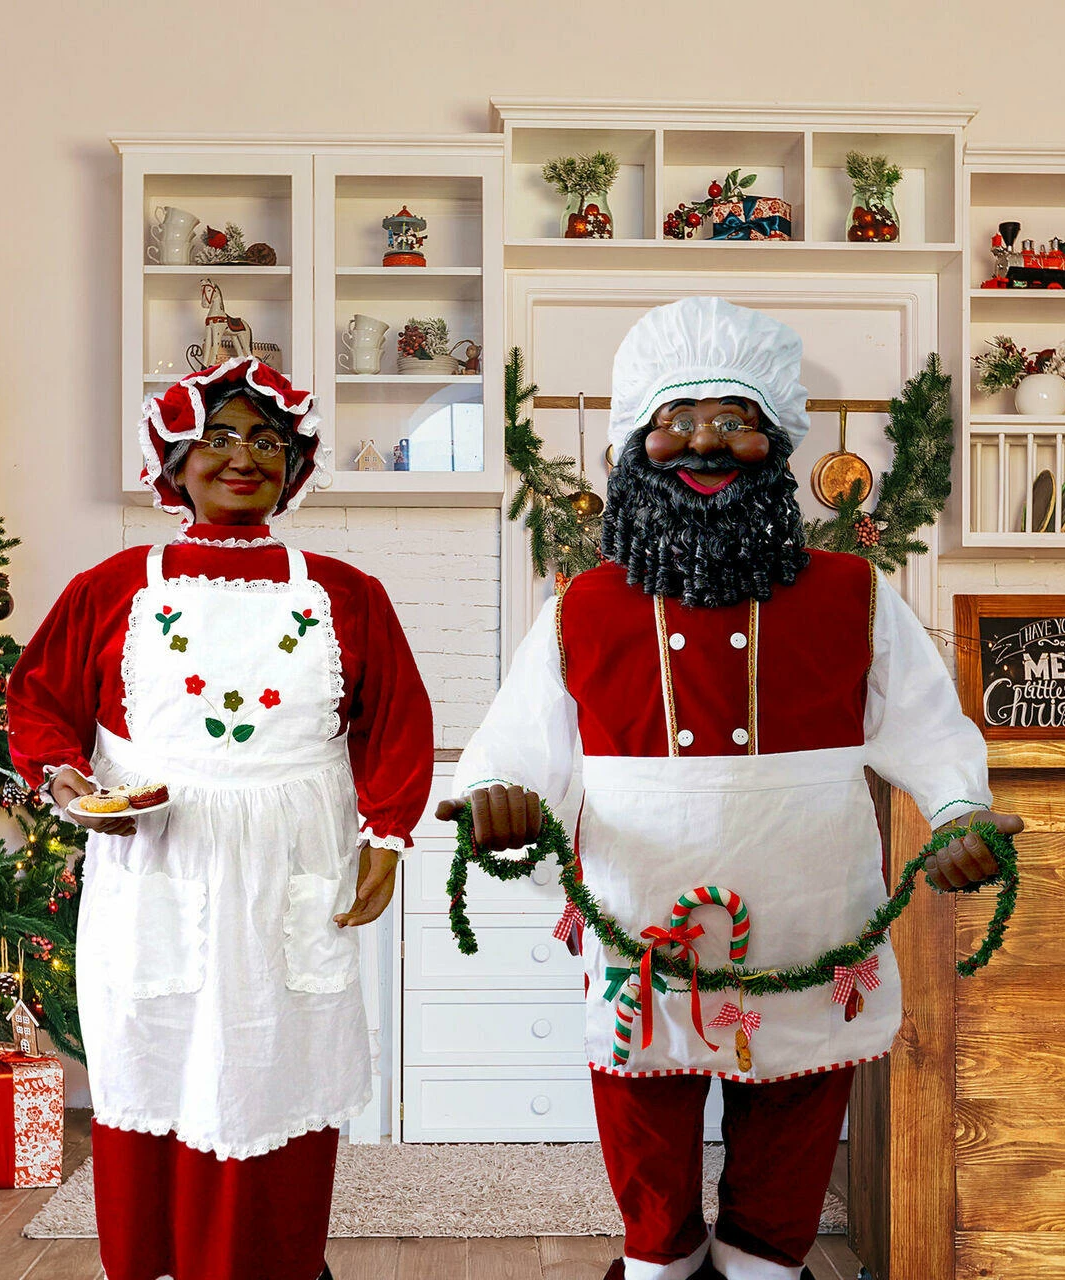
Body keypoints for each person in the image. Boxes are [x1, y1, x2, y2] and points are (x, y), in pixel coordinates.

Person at [442, 298, 1024, 1280]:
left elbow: (929, 732)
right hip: (641, 938)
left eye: (731, 418)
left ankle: (762, 1264)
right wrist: (497, 798)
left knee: (785, 1175)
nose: (703, 441)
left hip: (812, 926)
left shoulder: (857, 594)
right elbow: (510, 749)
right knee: (649, 1177)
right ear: (635, 447)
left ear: (774, 444)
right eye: (677, 419)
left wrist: (961, 813)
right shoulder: (581, 606)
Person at [7, 357, 434, 1280]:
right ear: (175, 457)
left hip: (295, 861)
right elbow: (40, 702)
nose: (245, 456)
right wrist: (70, 785)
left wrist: (388, 839)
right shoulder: (114, 583)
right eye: (220, 437)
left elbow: (396, 722)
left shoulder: (345, 591)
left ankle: (275, 1265)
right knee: (152, 1061)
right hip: (157, 863)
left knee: (276, 1067)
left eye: (268, 440)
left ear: (295, 463)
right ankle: (154, 1263)